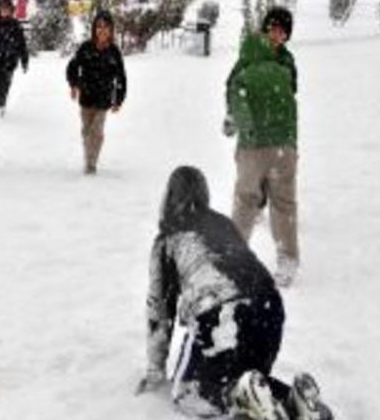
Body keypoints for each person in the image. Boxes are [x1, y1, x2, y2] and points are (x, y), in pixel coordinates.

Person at [135, 166, 333, 420]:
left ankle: (253, 407)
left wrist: (155, 371)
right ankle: (296, 403)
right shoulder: (222, 224)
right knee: (243, 381)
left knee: (188, 395)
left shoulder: (167, 241)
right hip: (269, 308)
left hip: (219, 312)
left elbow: (159, 312)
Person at [223, 6, 300, 287]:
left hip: (279, 136)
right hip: (254, 138)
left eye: (283, 31)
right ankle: (234, 255)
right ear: (266, 29)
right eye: (274, 28)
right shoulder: (248, 58)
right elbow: (232, 87)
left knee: (281, 200)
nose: (277, 34)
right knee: (247, 198)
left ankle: (287, 259)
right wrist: (233, 114)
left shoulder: (287, 60)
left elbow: (289, 88)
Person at [65, 10, 127, 175]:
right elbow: (73, 66)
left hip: (103, 99)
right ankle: (88, 156)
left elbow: (121, 78)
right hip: (86, 97)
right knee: (86, 131)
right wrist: (74, 85)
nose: (102, 30)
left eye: (106, 27)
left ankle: (91, 164)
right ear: (94, 29)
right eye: (98, 27)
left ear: (111, 30)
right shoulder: (86, 48)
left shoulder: (114, 52)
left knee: (97, 132)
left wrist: (118, 100)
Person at [0, 0, 29, 116]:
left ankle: (1, 104)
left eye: (7, 9)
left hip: (9, 61)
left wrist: (24, 60)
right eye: (2, 9)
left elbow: (22, 44)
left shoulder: (15, 25)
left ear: (11, 10)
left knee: (5, 83)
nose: (4, 11)